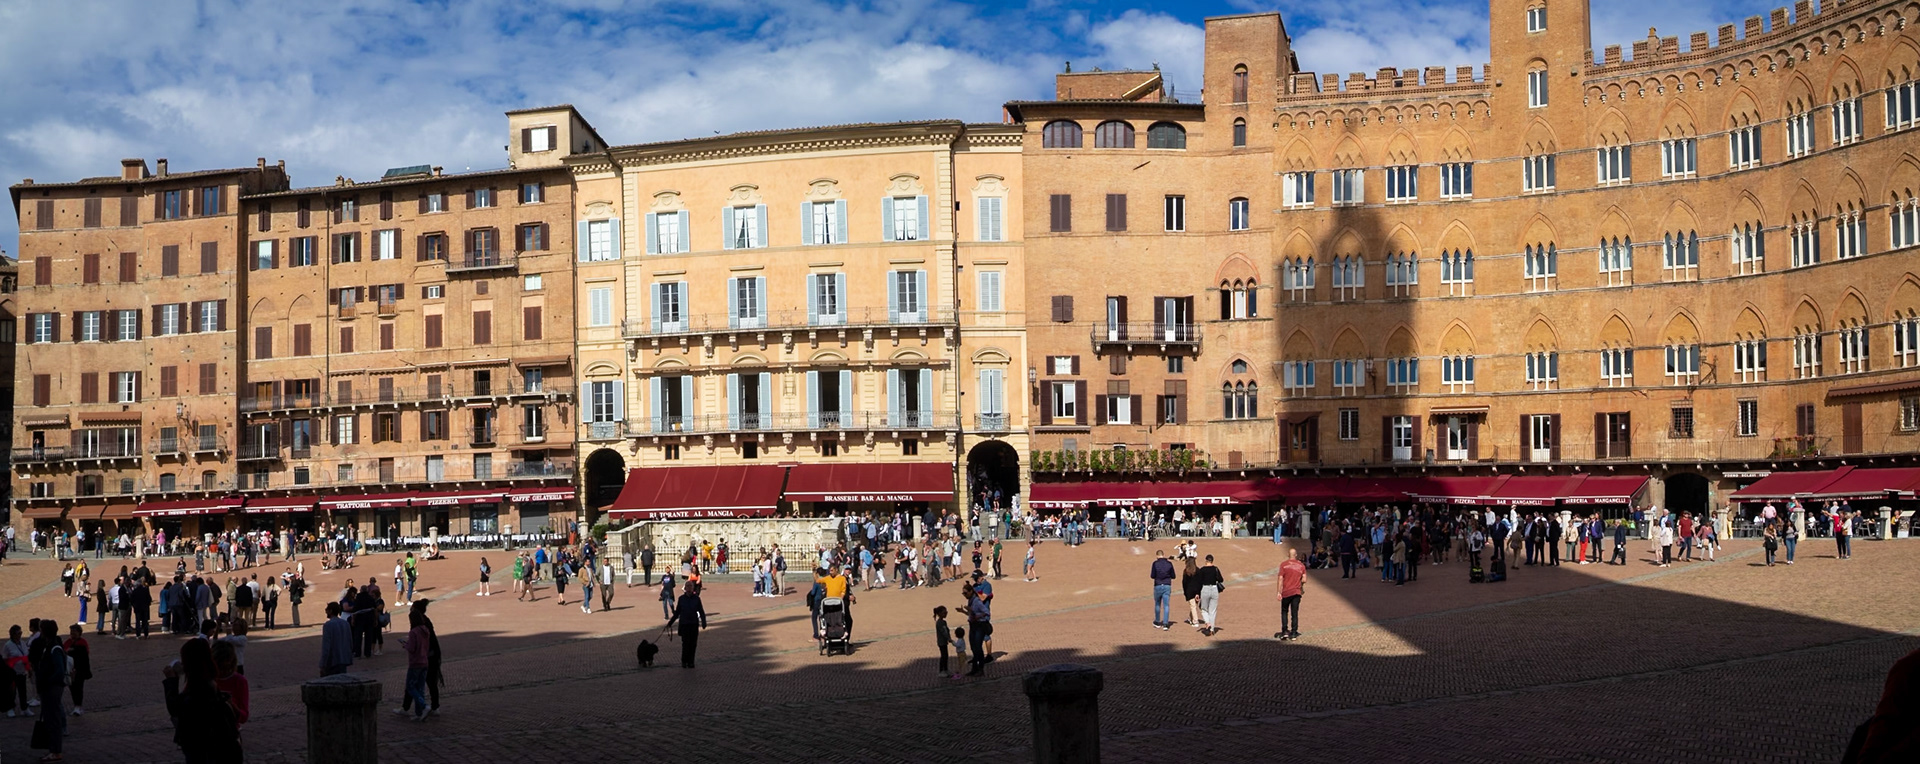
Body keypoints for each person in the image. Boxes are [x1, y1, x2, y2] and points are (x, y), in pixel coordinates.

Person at [164, 639, 243, 764]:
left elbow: (176, 708)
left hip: (204, 749)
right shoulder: (210, 682)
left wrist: (171, 681)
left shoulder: (200, 686)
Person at [32, 620, 67, 761]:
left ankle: (56, 750)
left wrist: (48, 682)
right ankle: (53, 749)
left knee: (53, 720)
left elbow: (59, 670)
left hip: (52, 689)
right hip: (48, 688)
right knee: (51, 719)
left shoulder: (54, 648)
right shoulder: (50, 646)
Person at [397, 611, 432, 722]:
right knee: (420, 688)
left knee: (411, 686)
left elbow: (412, 648)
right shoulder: (426, 630)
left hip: (415, 662)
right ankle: (419, 713)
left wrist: (405, 645)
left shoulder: (414, 632)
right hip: (424, 661)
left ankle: (423, 705)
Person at [666, 582, 707, 668]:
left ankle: (691, 662)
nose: (689, 588)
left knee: (693, 644)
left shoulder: (697, 599)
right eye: (687, 586)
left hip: (693, 624)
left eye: (690, 586)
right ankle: (684, 661)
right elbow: (677, 613)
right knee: (685, 644)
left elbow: (701, 611)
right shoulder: (681, 599)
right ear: (685, 588)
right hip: (684, 624)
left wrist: (703, 622)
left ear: (693, 588)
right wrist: (670, 623)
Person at [210, 639, 249, 725]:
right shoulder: (208, 679)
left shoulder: (239, 681)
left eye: (226, 667)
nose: (222, 671)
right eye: (219, 667)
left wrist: (231, 705)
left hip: (229, 731)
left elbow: (244, 716)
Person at [1276, 548, 1306, 641]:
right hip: (1296, 592)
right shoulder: (1301, 566)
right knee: (1294, 612)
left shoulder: (1283, 565)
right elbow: (1304, 579)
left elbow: (1280, 579)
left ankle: (1284, 630)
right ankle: (1293, 632)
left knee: (1284, 611)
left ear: (1288, 555)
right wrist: (1301, 586)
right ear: (1296, 555)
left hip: (1286, 591)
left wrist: (1278, 591)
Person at [319, 602, 353, 677]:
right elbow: (350, 642)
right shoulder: (345, 624)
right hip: (344, 660)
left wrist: (322, 664)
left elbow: (326, 647)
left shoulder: (328, 625)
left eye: (327, 609)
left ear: (330, 611)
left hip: (332, 661)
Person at [63, 624, 90, 716]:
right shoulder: (68, 642)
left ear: (79, 633)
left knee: (78, 688)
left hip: (79, 670)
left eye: (74, 632)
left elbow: (84, 655)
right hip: (70, 670)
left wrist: (71, 650)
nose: (72, 634)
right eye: (71, 632)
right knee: (72, 688)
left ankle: (78, 706)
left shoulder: (82, 642)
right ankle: (76, 705)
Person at [1195, 554, 1225, 636]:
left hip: (1205, 588)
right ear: (1212, 561)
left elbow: (1199, 583)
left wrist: (1197, 593)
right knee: (1213, 610)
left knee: (1204, 608)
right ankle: (1212, 629)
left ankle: (1207, 623)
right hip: (1214, 589)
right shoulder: (1215, 569)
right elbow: (1221, 579)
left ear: (1206, 560)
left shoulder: (1202, 570)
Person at [1150, 550, 1175, 631]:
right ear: (1163, 555)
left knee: (1157, 604)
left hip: (1158, 584)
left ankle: (1157, 621)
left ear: (1157, 555)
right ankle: (1165, 623)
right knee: (1166, 605)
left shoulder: (1155, 564)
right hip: (1167, 585)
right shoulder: (1169, 564)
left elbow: (1152, 575)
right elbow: (1173, 575)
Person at [933, 606, 954, 678]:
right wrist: (948, 638)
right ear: (939, 614)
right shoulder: (940, 623)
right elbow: (944, 631)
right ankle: (942, 670)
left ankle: (945, 669)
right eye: (944, 613)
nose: (946, 614)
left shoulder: (943, 622)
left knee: (945, 656)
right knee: (944, 656)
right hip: (942, 642)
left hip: (944, 642)